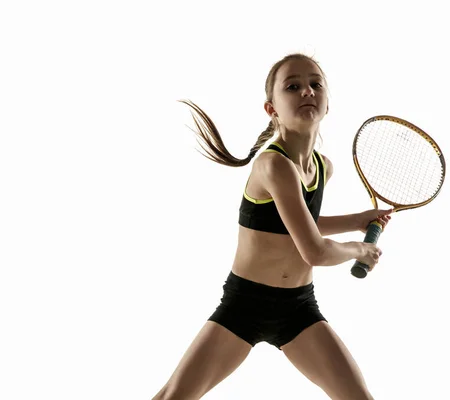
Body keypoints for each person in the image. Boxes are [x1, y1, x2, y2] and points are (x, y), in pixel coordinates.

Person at [153, 53, 392, 400]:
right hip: (245, 305)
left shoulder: (323, 167)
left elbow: (295, 226)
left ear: (327, 103)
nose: (307, 91)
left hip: (297, 309)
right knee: (173, 397)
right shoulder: (273, 165)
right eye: (293, 86)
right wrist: (360, 249)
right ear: (272, 109)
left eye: (315, 84)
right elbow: (313, 250)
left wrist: (357, 221)